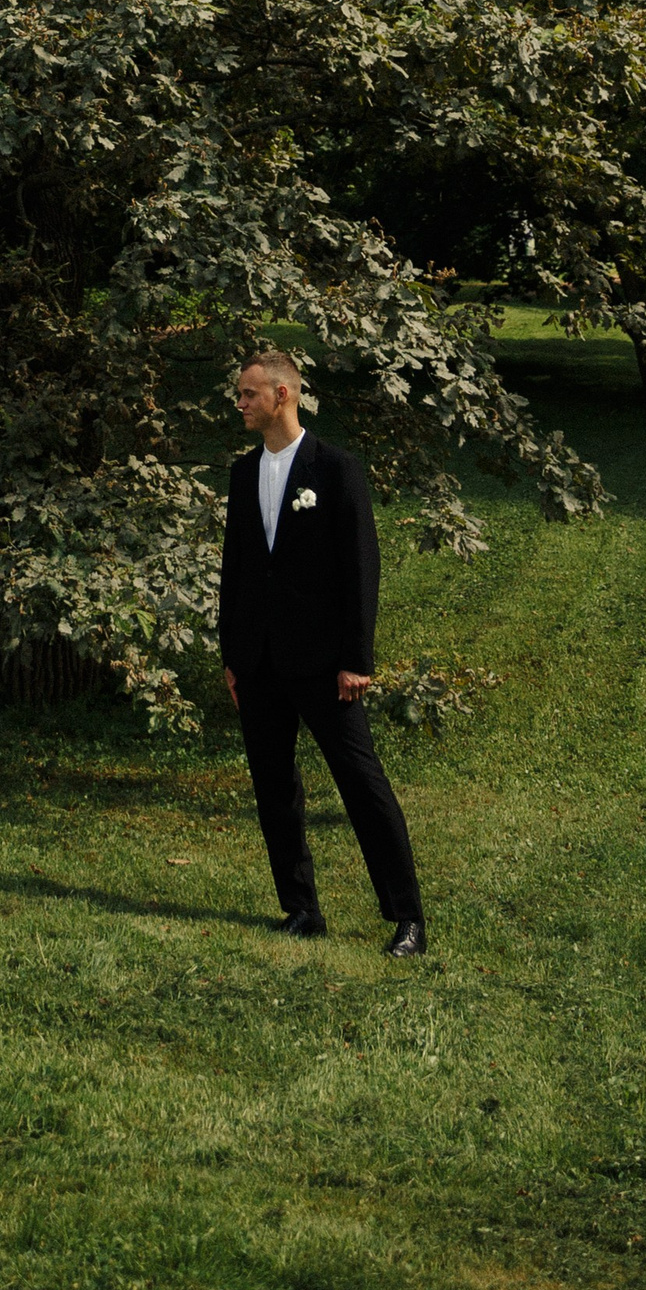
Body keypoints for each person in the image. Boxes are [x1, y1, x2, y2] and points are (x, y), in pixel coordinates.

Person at [219, 347, 428, 957]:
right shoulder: (240, 473)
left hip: (323, 667)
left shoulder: (337, 470)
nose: (241, 403)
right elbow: (236, 571)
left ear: (283, 394)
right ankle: (301, 909)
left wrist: (357, 660)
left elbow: (362, 569)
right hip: (257, 665)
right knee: (274, 789)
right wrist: (232, 655)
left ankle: (407, 918)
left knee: (362, 785)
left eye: (249, 393)